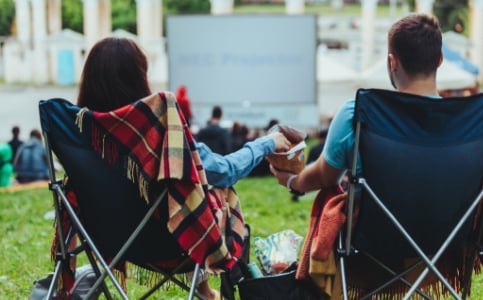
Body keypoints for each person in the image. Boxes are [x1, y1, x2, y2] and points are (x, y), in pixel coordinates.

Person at [74, 37, 291, 299]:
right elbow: (223, 170)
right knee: (215, 191)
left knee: (183, 188)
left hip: (107, 239)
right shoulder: (158, 126)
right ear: (138, 78)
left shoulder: (77, 129)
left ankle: (206, 291)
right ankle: (223, 289)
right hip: (173, 240)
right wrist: (267, 143)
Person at [270, 13, 446, 197]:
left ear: (393, 62)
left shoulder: (357, 113)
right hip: (450, 226)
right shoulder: (468, 126)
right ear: (440, 59)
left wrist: (291, 181)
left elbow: (323, 177)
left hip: (376, 226)